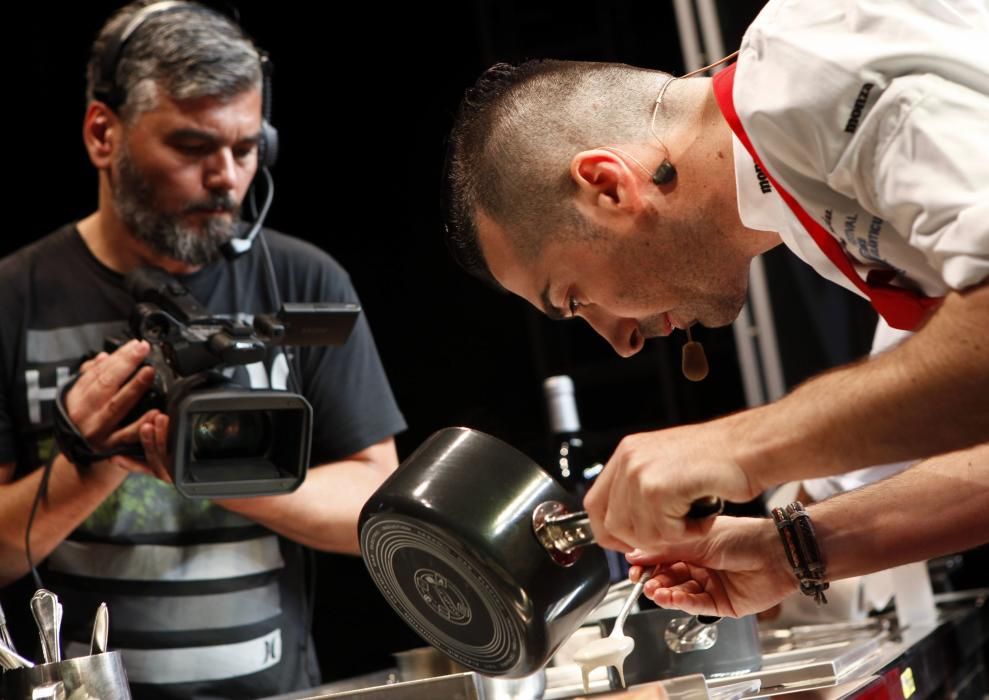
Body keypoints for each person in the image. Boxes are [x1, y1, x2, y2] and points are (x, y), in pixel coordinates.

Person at [442, 0, 987, 611]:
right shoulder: (806, 220)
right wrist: (787, 553)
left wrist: (733, 447)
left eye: (574, 298)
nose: (620, 342)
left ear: (608, 185)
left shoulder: (812, 66)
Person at [0, 2, 405, 697]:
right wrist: (91, 463)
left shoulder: (306, 282)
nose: (226, 178)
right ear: (104, 134)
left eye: (247, 150)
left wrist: (225, 469)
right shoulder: (13, 296)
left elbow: (376, 503)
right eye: (192, 148)